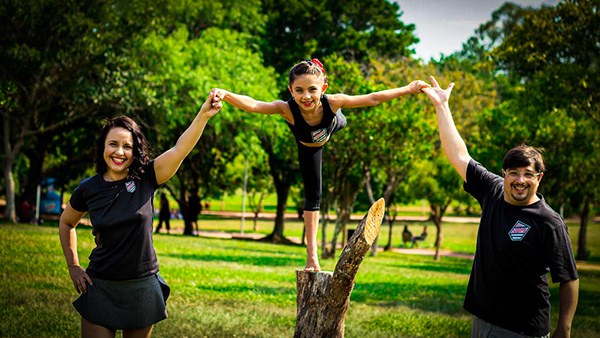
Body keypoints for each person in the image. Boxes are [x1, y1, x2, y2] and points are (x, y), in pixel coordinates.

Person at [212, 59, 428, 271]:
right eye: (299, 90)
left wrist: (408, 89)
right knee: (313, 195)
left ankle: (337, 118)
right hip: (308, 147)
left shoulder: (332, 101)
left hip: (333, 125)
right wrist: (226, 94)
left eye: (312, 90)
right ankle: (311, 254)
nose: (306, 96)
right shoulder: (286, 109)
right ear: (291, 90)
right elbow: (255, 105)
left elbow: (372, 99)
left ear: (323, 88)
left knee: (341, 118)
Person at [422, 76, 579, 337]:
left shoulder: (549, 222)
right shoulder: (493, 190)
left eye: (528, 174)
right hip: (481, 323)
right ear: (504, 173)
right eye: (514, 173)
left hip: (521, 330)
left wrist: (564, 328)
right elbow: (459, 155)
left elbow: (568, 278)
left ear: (539, 178)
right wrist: (442, 106)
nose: (520, 180)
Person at [58, 92, 222, 337]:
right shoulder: (88, 188)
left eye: (127, 146)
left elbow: (180, 150)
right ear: (103, 146)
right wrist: (73, 266)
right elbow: (66, 222)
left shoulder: (147, 176)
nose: (120, 152)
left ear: (135, 151)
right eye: (113, 144)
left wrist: (203, 115)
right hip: (100, 285)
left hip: (142, 286)